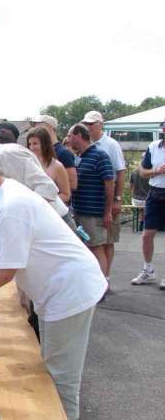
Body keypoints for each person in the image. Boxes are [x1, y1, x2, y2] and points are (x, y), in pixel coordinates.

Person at [0, 148, 107, 420]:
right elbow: (5, 259)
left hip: (70, 291)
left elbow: (4, 272)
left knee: (59, 377)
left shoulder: (11, 205)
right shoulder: (7, 194)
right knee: (53, 370)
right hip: (64, 287)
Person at [81, 111, 126, 284]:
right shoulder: (87, 145)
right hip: (93, 203)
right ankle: (100, 278)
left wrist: (118, 199)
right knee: (96, 242)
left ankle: (105, 278)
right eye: (86, 124)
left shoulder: (111, 144)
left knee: (107, 241)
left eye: (92, 124)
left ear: (101, 125)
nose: (89, 127)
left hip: (107, 201)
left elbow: (120, 173)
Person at [67, 124, 114, 277]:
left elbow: (109, 183)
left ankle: (103, 283)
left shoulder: (100, 156)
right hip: (79, 211)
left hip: (93, 213)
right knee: (86, 249)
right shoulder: (78, 157)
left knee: (96, 247)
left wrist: (108, 212)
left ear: (79, 135)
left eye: (69, 135)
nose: (68, 139)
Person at [131, 127, 165, 288]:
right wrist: (156, 171)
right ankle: (148, 270)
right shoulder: (153, 146)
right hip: (155, 193)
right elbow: (143, 172)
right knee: (147, 235)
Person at [32, 114, 77, 192]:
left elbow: (72, 184)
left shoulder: (63, 153)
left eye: (39, 126)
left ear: (50, 128)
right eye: (35, 126)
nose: (35, 129)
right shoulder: (39, 152)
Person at [26, 126, 71, 204]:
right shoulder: (27, 164)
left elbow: (66, 195)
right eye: (30, 144)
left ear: (45, 144)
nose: (32, 147)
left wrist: (45, 202)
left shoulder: (57, 166)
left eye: (35, 143)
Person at [129, 158, 149, 231]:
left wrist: (132, 194)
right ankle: (145, 224)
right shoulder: (149, 174)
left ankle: (140, 224)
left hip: (135, 200)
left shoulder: (134, 173)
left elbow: (130, 187)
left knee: (141, 209)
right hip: (147, 200)